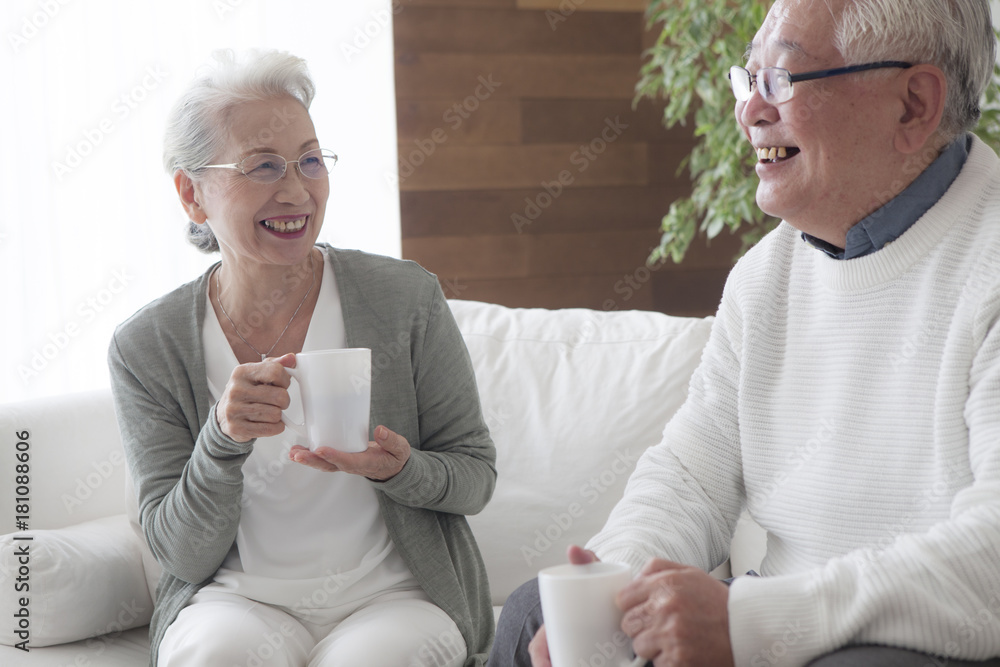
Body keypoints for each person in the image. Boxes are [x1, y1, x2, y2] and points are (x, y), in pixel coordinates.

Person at [490, 0, 1000, 665]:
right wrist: (616, 584)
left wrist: (748, 620)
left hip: (928, 640)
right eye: (748, 78)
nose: (750, 111)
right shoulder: (765, 275)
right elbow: (690, 477)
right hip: (782, 613)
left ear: (911, 105)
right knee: (541, 613)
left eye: (782, 80)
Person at [108, 49, 496, 667]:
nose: (296, 190)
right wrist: (222, 438)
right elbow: (177, 552)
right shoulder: (148, 347)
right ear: (191, 194)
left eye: (310, 160)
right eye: (262, 167)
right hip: (235, 602)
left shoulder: (405, 298)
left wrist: (398, 470)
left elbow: (474, 478)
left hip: (395, 598)